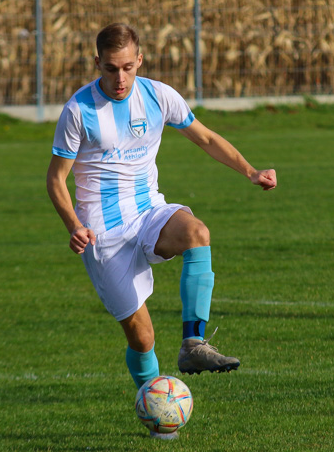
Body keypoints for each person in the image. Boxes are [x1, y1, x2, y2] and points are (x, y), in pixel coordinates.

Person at [47, 23, 277, 436]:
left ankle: (193, 344)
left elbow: (204, 138)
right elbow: (55, 179)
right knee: (142, 337)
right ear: (96, 62)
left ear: (140, 61)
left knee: (197, 233)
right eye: (111, 68)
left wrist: (251, 170)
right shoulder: (78, 110)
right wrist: (75, 225)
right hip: (103, 232)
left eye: (127, 67)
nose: (120, 78)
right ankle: (159, 419)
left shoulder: (157, 95)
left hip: (149, 209)